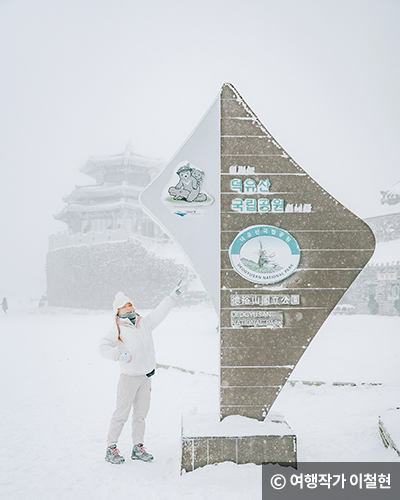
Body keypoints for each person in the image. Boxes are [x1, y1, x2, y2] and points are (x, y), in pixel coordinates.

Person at [99, 282, 185, 465]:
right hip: (128, 379)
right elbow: (103, 346)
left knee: (140, 415)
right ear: (118, 311)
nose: (129, 307)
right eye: (125, 305)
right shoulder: (118, 329)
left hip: (146, 377)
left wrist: (173, 296)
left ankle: (138, 447)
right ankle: (111, 448)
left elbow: (160, 313)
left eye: (130, 304)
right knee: (121, 414)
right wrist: (118, 355)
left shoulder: (143, 323)